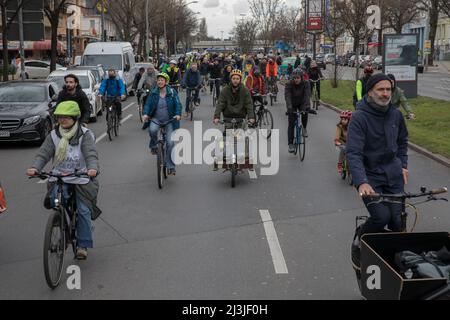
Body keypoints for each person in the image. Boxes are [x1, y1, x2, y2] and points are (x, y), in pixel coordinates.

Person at [26, 101, 100, 260]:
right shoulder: (53, 135)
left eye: (66, 117)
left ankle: (82, 245)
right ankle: (60, 222)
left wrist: (92, 168)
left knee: (83, 210)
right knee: (56, 202)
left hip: (82, 178)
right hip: (60, 176)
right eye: (60, 117)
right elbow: (43, 154)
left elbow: (91, 154)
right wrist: (35, 167)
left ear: (75, 118)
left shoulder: (85, 135)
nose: (62, 120)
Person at [347, 73, 409, 239]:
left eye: (388, 89)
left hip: (394, 176)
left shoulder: (396, 115)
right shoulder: (359, 118)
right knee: (382, 217)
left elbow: (403, 142)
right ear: (369, 93)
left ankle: (392, 255)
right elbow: (353, 153)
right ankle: (362, 236)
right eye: (381, 89)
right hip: (371, 176)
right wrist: (361, 182)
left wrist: (403, 165)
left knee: (398, 221)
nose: (385, 93)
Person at [142, 73, 182, 176]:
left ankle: (171, 167)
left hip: (169, 121)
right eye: (158, 80)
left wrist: (177, 114)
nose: (160, 82)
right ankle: (154, 146)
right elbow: (147, 105)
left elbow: (178, 104)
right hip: (156, 119)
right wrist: (145, 114)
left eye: (162, 80)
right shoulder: (153, 93)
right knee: (152, 130)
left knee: (170, 143)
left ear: (166, 82)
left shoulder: (172, 92)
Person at [285, 68, 313, 153]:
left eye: (298, 78)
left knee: (305, 112)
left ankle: (304, 127)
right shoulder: (289, 84)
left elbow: (307, 96)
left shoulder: (306, 83)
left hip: (302, 102)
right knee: (291, 123)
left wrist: (305, 107)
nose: (296, 80)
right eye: (294, 78)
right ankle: (290, 144)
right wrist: (289, 108)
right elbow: (288, 96)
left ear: (301, 77)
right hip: (292, 104)